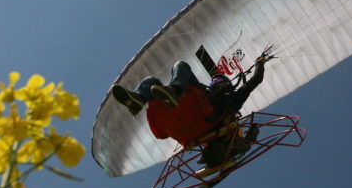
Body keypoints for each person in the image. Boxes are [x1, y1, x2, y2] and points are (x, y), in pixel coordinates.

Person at [109, 52, 271, 152]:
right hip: (188, 121)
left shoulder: (232, 100)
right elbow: (255, 81)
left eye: (218, 83)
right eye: (215, 83)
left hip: (185, 127)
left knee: (180, 65)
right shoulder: (227, 101)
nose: (216, 85)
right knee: (151, 81)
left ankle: (172, 92)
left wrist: (259, 63)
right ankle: (139, 99)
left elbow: (255, 80)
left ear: (227, 85)